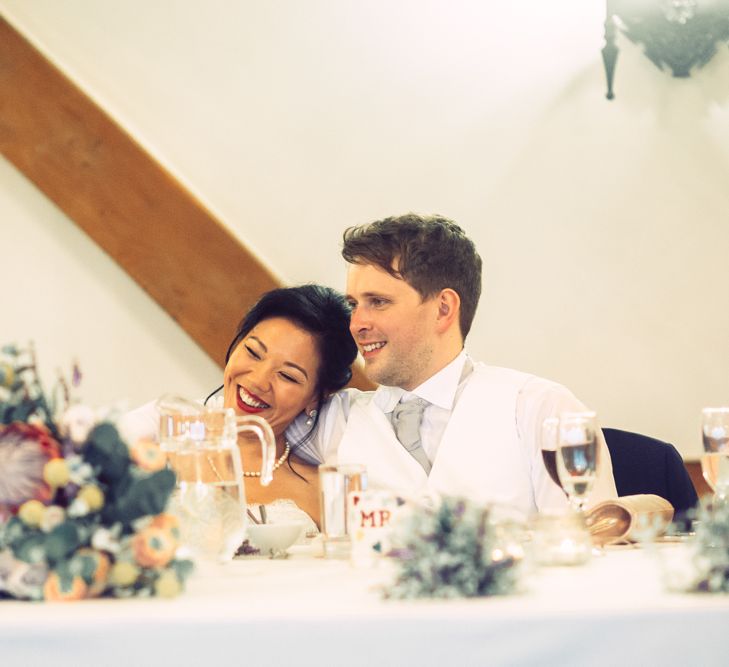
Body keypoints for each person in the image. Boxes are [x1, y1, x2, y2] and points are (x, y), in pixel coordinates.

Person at [289, 213, 617, 516]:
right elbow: (246, 437)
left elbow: (588, 553)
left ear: (444, 308)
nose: (356, 323)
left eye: (378, 302)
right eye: (353, 304)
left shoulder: (542, 410)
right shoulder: (331, 421)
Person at [119, 285, 358, 527]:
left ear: (316, 397)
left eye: (287, 376)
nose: (257, 381)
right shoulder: (157, 453)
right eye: (253, 352)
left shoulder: (323, 493)